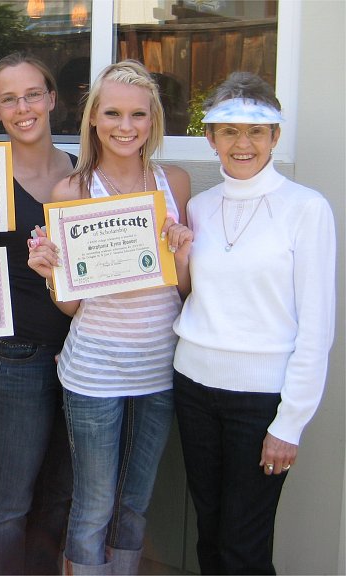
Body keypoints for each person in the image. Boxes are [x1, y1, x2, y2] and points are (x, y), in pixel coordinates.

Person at [27, 60, 192, 575]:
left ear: (153, 120)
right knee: (95, 504)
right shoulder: (72, 192)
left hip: (159, 368)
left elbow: (181, 292)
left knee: (135, 502)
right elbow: (72, 306)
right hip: (94, 368)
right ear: (94, 118)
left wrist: (182, 257)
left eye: (138, 115)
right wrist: (51, 274)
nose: (126, 126)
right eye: (114, 113)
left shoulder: (176, 184)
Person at [171, 72, 336, 574]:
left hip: (261, 400)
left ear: (275, 137)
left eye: (256, 131)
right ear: (211, 138)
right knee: (211, 531)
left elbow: (317, 327)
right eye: (229, 131)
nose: (243, 143)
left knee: (244, 542)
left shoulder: (306, 210)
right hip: (194, 388)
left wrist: (290, 423)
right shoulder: (198, 208)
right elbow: (192, 294)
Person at [0, 52, 75, 575]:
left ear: (52, 98)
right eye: (9, 99)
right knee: (10, 502)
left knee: (59, 496)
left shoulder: (83, 175)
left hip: (81, 358)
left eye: (33, 94)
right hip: (12, 355)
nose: (23, 107)